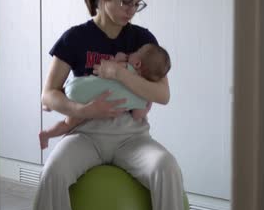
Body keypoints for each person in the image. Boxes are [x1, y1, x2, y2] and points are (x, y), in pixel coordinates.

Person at [33, 0, 188, 210]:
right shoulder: (74, 38)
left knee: (166, 167)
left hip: (131, 137)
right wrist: (83, 109)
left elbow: (163, 95)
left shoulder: (142, 39)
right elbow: (48, 94)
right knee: (52, 173)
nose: (131, 10)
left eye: (137, 3)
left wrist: (119, 74)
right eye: (125, 1)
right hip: (86, 135)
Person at [38, 43, 171, 150]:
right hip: (87, 105)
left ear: (137, 63)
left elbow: (108, 65)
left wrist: (120, 58)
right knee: (67, 124)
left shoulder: (125, 66)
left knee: (74, 89)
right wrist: (147, 105)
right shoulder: (142, 97)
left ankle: (52, 103)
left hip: (79, 86)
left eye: (136, 52)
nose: (132, 52)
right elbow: (137, 115)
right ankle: (47, 134)